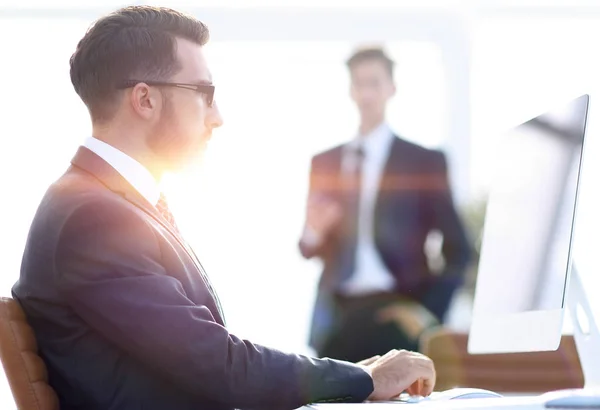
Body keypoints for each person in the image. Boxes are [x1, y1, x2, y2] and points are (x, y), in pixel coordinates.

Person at [12, 6, 436, 410]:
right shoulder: (93, 217)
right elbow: (216, 362)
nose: (217, 116)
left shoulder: (110, 202)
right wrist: (365, 380)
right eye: (205, 93)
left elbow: (204, 356)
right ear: (145, 100)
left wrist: (353, 377)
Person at [299, 47, 471, 362]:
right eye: (359, 83)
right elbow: (308, 248)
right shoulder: (325, 163)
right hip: (337, 318)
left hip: (398, 315)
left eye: (374, 83)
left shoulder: (423, 162)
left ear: (391, 88)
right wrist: (313, 232)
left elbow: (459, 249)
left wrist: (428, 312)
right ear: (350, 90)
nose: (366, 93)